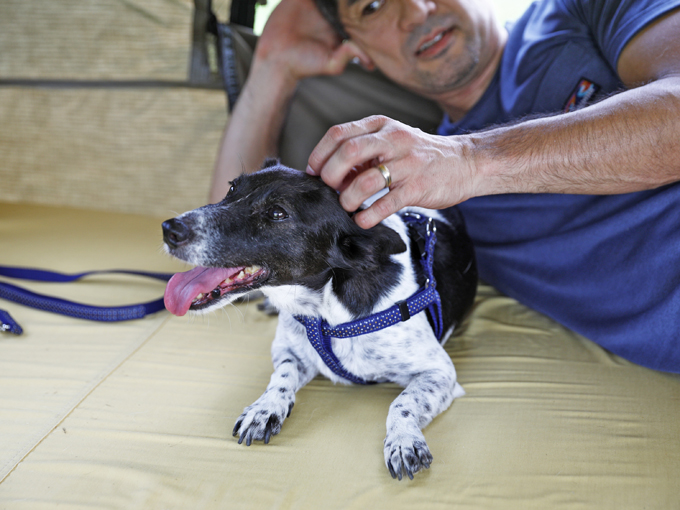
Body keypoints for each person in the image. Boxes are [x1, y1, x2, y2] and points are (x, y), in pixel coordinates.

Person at [209, 0, 680, 372]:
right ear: (356, 48)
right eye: (371, 6)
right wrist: (273, 65)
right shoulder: (405, 181)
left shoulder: (583, 10)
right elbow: (229, 246)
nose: (415, 10)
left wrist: (471, 161)